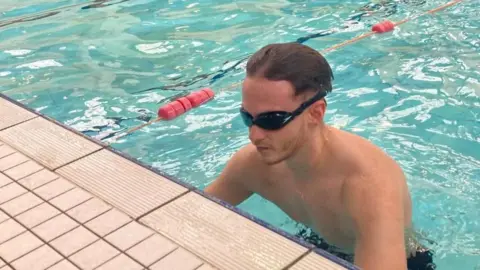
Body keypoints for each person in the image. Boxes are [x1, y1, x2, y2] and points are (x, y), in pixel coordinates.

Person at [204, 42, 436, 270]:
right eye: (248, 117)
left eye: (271, 120)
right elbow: (189, 212)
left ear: (315, 113)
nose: (254, 135)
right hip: (322, 244)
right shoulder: (251, 165)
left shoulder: (367, 186)